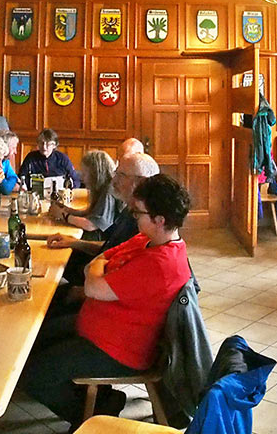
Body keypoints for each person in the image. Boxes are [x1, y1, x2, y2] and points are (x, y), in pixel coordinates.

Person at [23, 174, 192, 431]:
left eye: (138, 213)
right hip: (100, 329)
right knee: (32, 341)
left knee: (33, 375)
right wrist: (98, 268)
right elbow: (98, 262)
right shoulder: (147, 240)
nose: (133, 216)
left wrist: (98, 269)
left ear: (160, 220)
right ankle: (104, 398)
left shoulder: (161, 263)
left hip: (119, 350)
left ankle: (92, 417)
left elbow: (93, 283)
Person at [47, 152, 160, 297]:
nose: (114, 180)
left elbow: (126, 280)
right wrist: (75, 242)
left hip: (100, 290)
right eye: (116, 173)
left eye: (121, 175)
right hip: (98, 279)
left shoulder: (144, 223)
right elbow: (112, 248)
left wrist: (82, 293)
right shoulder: (129, 211)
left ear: (140, 182)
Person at [49, 150, 117, 238]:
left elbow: (91, 225)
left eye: (85, 174)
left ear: (95, 174)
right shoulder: (102, 188)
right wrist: (67, 210)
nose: (82, 177)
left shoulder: (108, 191)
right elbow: (91, 213)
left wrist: (64, 215)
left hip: (100, 243)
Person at [0, 128, 20, 194]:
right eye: (13, 148)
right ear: (5, 147)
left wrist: (14, 180)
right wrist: (14, 183)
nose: (16, 152)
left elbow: (14, 177)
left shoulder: (5, 161)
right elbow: (6, 189)